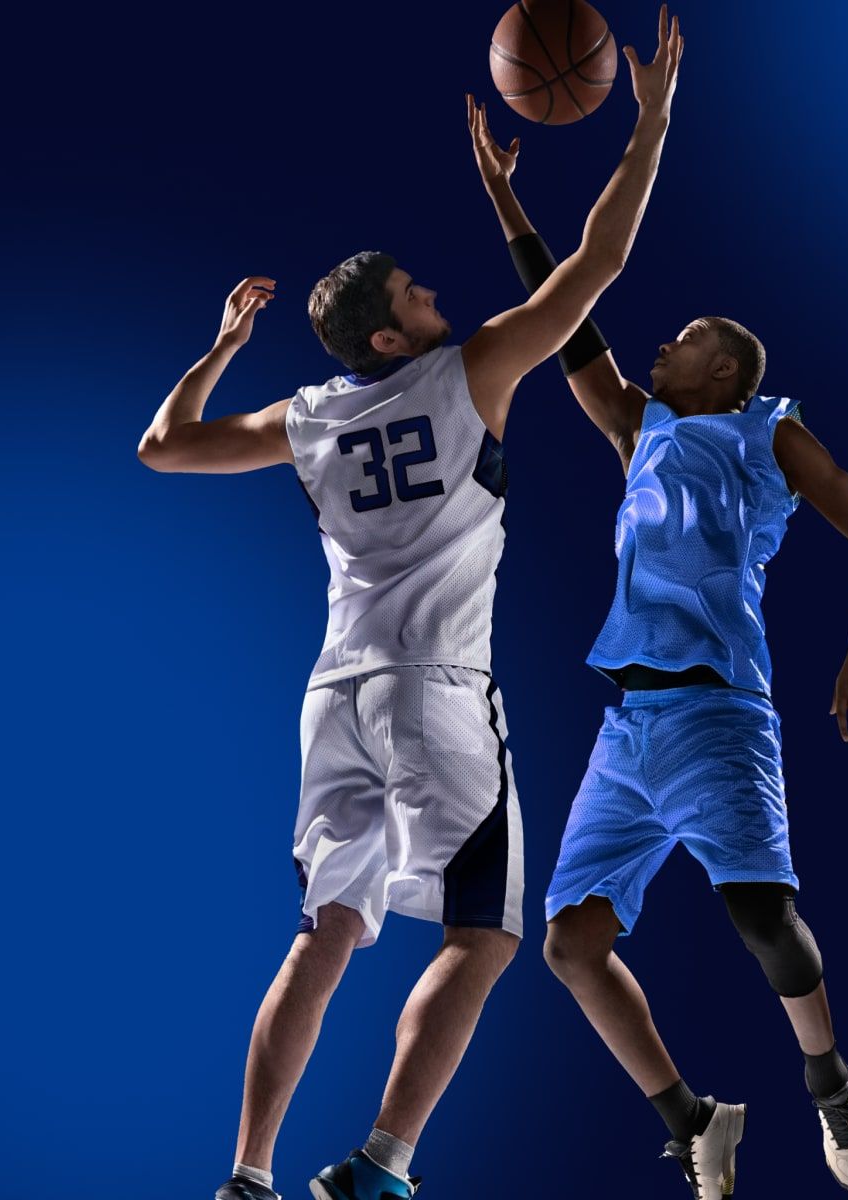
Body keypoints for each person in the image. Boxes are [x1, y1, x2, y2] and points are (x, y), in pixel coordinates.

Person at [136, 12, 683, 1200]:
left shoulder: (309, 416)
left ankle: (248, 1173)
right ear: (394, 333)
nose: (438, 296)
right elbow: (598, 268)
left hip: (334, 696)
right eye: (418, 294)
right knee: (483, 938)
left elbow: (163, 447)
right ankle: (382, 1165)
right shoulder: (468, 371)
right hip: (439, 692)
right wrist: (649, 126)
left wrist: (223, 343)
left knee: (324, 936)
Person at [468, 87, 848, 1196]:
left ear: (729, 372)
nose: (666, 344)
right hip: (630, 728)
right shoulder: (640, 427)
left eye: (690, 339)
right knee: (569, 946)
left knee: (763, 919)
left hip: (719, 710)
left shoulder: (763, 432)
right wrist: (508, 202)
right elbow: (574, 321)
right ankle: (693, 1118)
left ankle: (829, 1086)